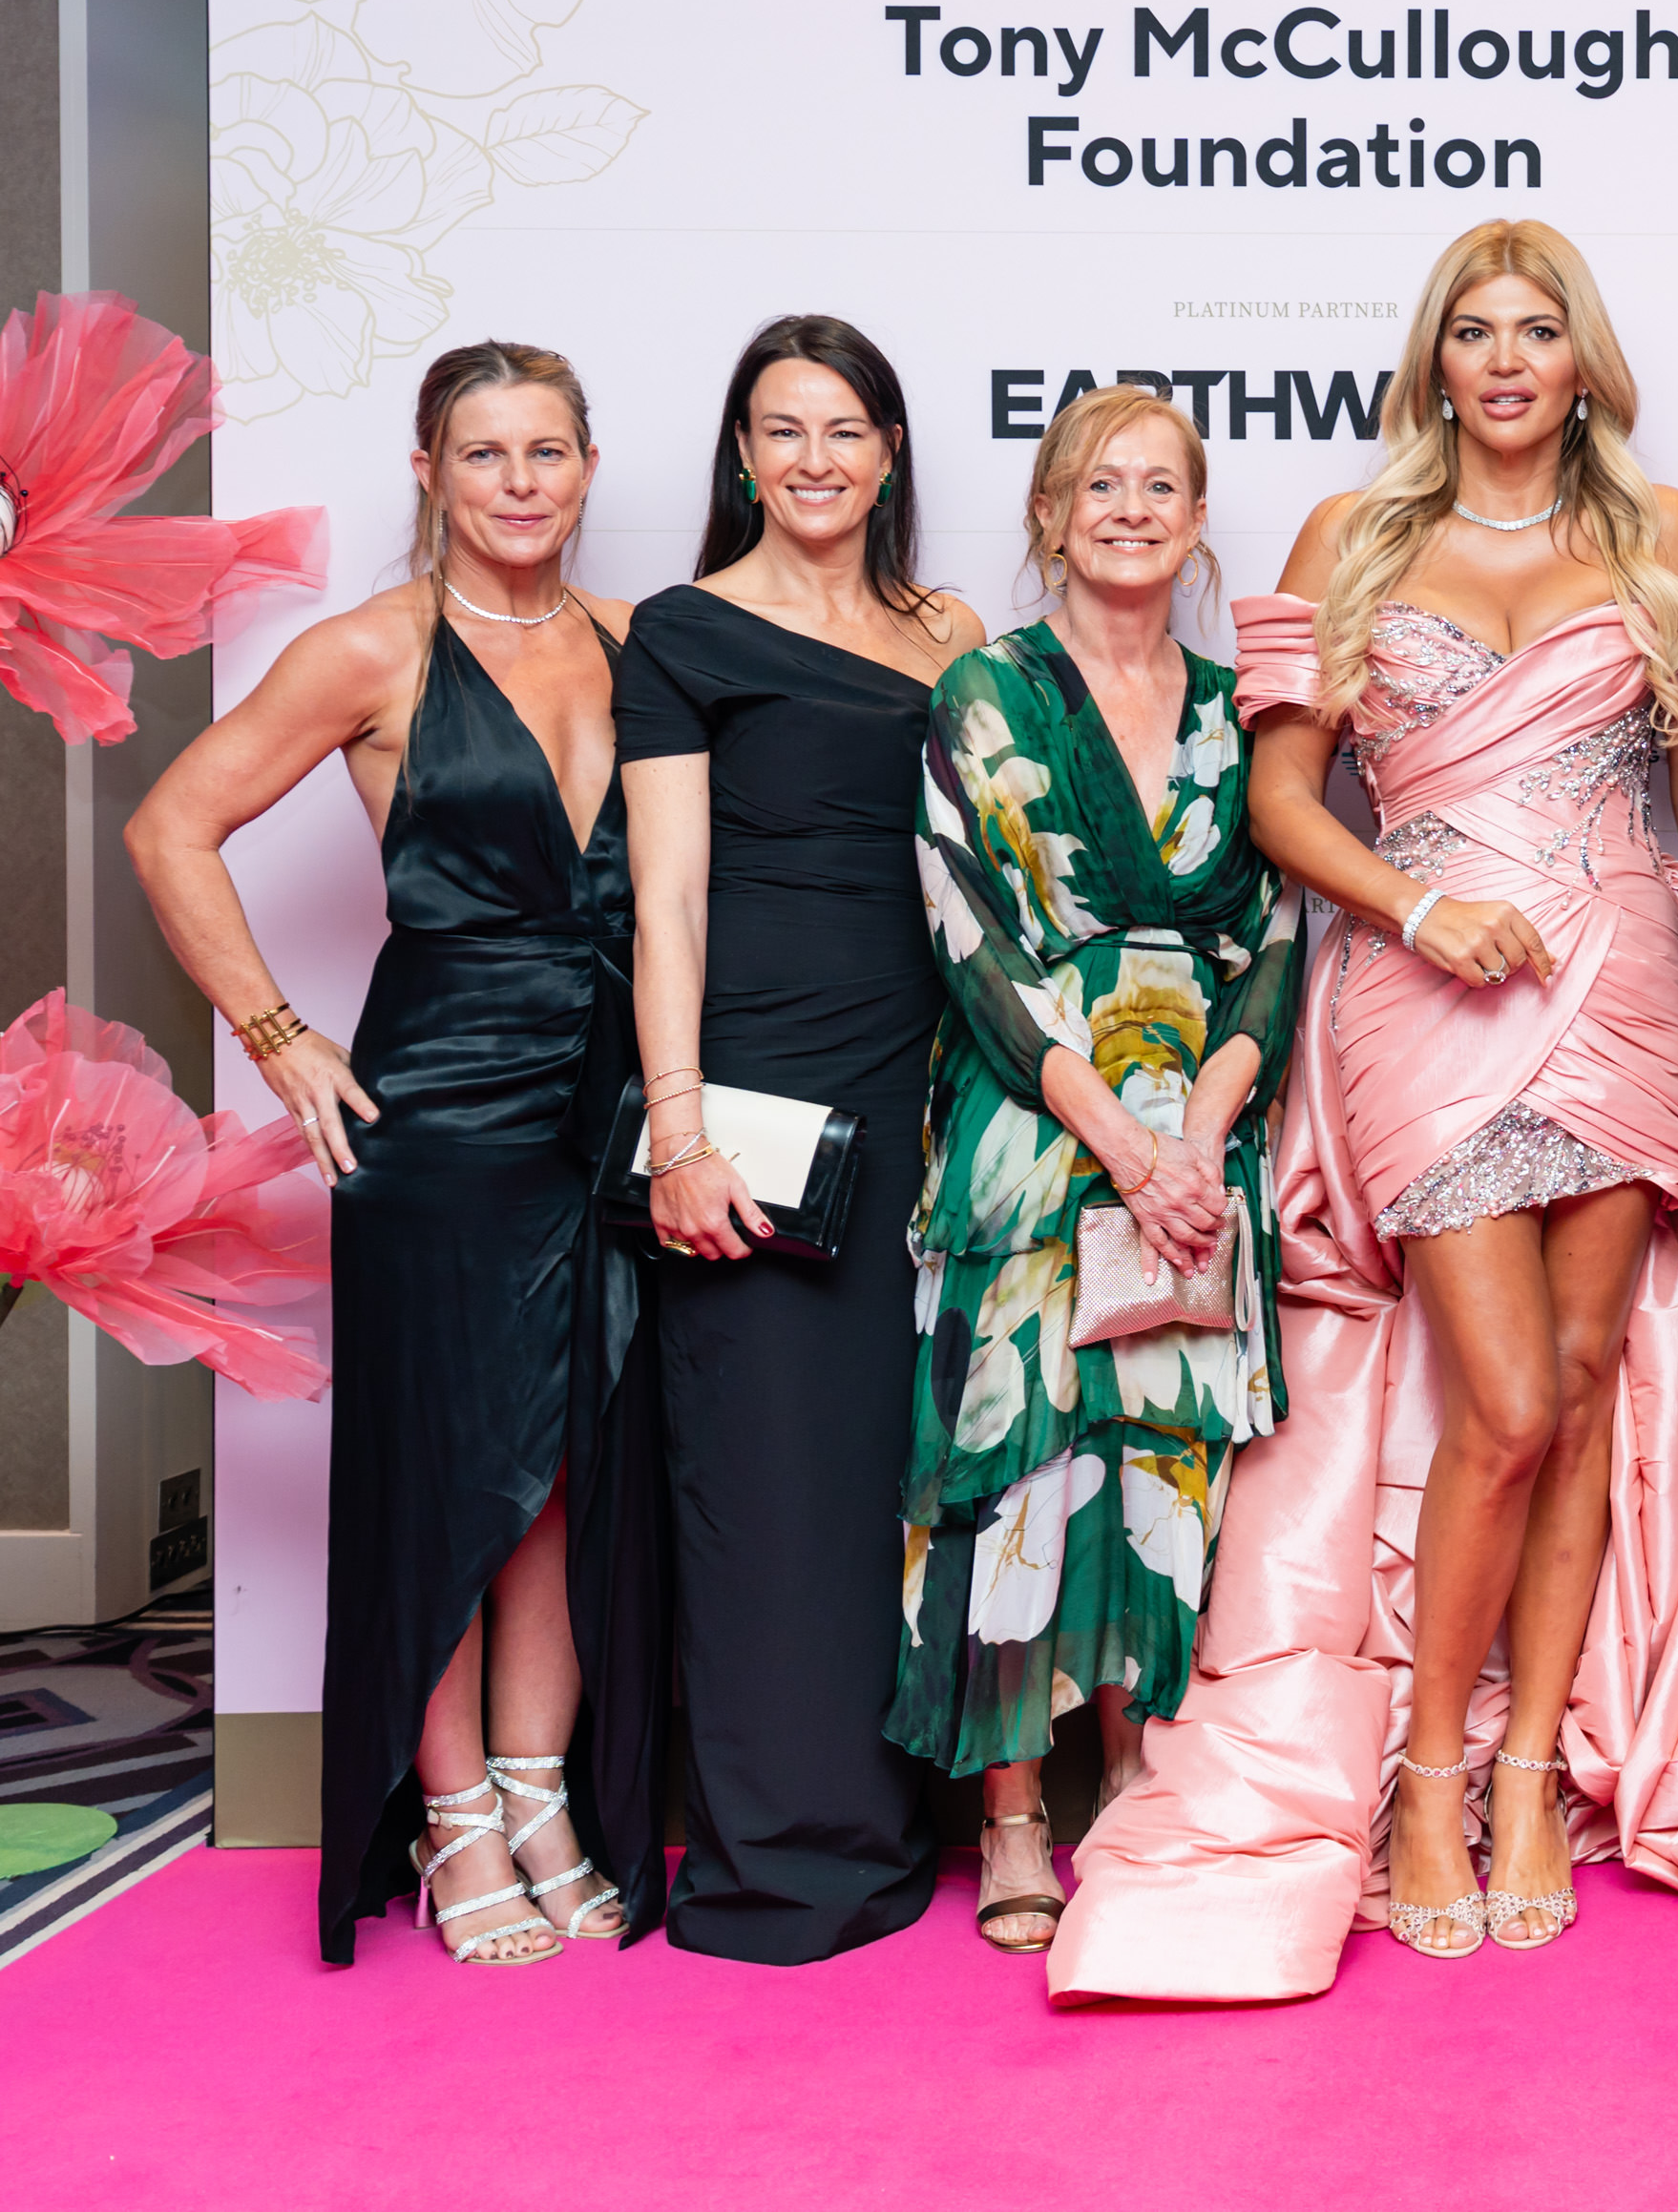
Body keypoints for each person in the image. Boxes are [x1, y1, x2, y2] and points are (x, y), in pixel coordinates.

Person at [1051, 218, 1678, 1994]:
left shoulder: (1663, 537)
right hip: (1427, 991)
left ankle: (1532, 1784)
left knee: (1588, 1392)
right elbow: (1287, 806)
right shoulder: (1349, 540)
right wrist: (1417, 905)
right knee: (1505, 1404)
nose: (1507, 360)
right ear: (1432, 361)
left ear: (1582, 358)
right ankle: (1427, 1777)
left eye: (1538, 331)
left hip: (1630, 985)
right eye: (1473, 332)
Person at [131, 342, 661, 1966]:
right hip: (438, 1104)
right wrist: (284, 1037)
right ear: (428, 471)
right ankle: (444, 1815)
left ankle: (537, 1786)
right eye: (485, 452)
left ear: (586, 467)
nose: (520, 481)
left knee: (568, 1465)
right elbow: (171, 826)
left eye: (548, 451)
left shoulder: (644, 646)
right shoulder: (372, 648)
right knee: (444, 1467)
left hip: (613, 1103)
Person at [890, 385, 1295, 1953]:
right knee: (1018, 1460)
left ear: (1197, 521)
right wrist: (1119, 1140)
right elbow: (965, 937)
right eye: (1098, 485)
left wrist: (1197, 1136)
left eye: (1162, 486)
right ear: (1050, 512)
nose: (1130, 508)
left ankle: (1130, 1765)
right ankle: (1010, 1812)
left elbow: (1274, 936)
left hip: (1202, 1132)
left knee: (1161, 1453)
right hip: (1035, 1122)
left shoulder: (1234, 707)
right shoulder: (983, 693)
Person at [619, 314, 983, 1965]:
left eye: (845, 429)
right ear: (742, 455)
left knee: (890, 1475)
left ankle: (898, 1816)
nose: (816, 459)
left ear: (891, 450)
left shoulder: (953, 633)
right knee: (763, 1478)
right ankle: (783, 1854)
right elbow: (669, 898)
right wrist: (679, 1131)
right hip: (756, 1094)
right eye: (784, 430)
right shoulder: (684, 633)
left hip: (925, 1085)